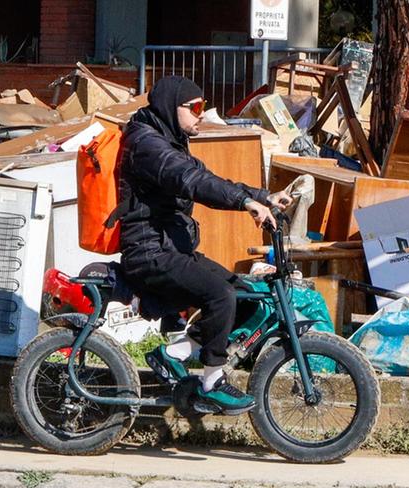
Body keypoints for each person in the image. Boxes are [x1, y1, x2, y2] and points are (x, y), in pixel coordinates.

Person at [115, 76, 290, 414]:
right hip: (148, 252)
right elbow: (192, 181)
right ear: (171, 107)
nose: (201, 115)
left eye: (202, 107)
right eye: (194, 108)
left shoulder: (170, 139)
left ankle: (173, 355)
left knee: (242, 295)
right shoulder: (148, 146)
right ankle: (212, 382)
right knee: (220, 295)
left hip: (170, 248)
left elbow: (208, 177)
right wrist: (244, 204)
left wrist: (263, 197)